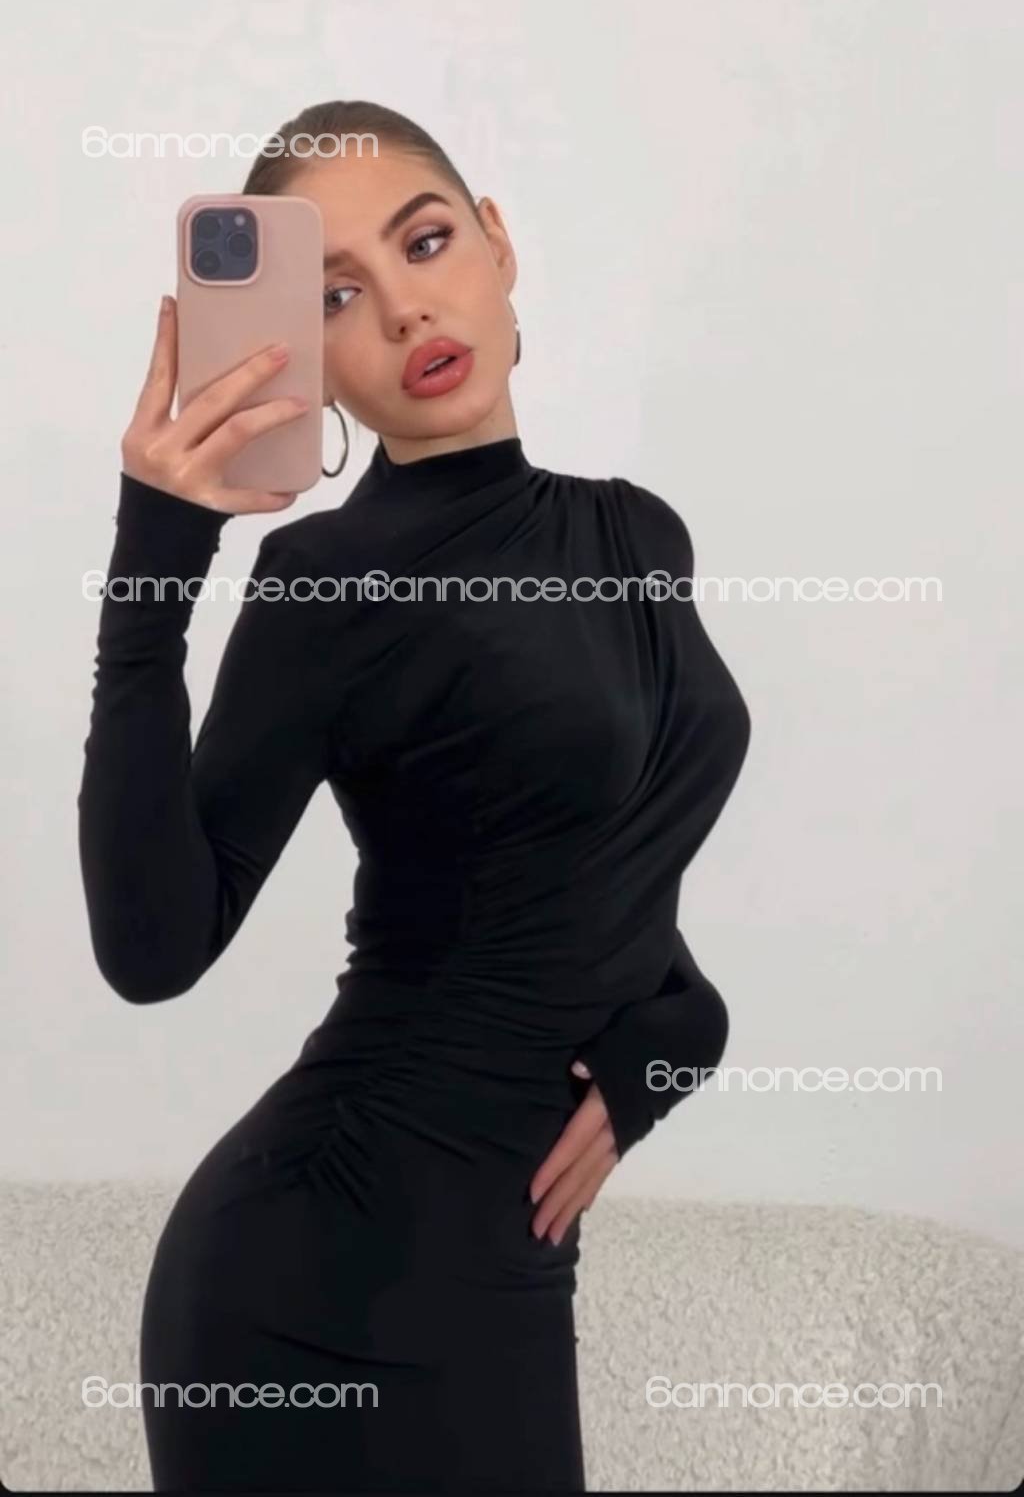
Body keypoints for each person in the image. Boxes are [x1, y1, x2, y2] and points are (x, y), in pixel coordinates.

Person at [77, 101, 751, 1493]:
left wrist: (683, 1027)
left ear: (497, 244)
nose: (401, 309)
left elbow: (585, 869)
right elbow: (153, 947)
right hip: (309, 1277)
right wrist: (154, 568)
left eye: (425, 242)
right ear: (304, 356)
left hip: (505, 1268)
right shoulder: (327, 583)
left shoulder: (638, 531)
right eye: (335, 296)